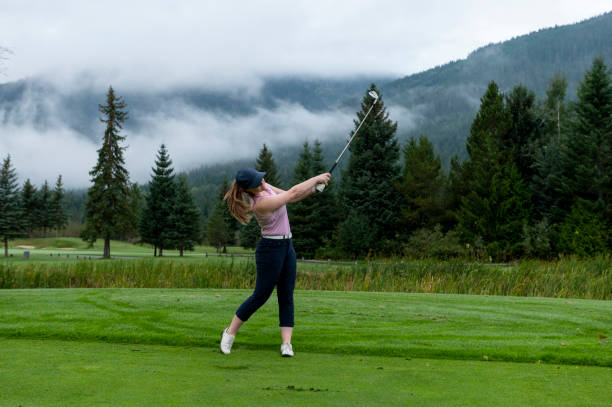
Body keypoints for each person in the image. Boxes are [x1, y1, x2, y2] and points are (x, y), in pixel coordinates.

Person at [220, 167, 331, 357]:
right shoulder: (260, 203)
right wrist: (316, 178)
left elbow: (292, 196)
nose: (263, 181)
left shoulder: (264, 188)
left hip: (287, 246)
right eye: (258, 181)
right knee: (260, 296)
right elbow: (293, 193)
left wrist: (314, 189)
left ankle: (286, 344)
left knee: (286, 294)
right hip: (270, 250)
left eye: (261, 178)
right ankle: (229, 333)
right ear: (250, 190)